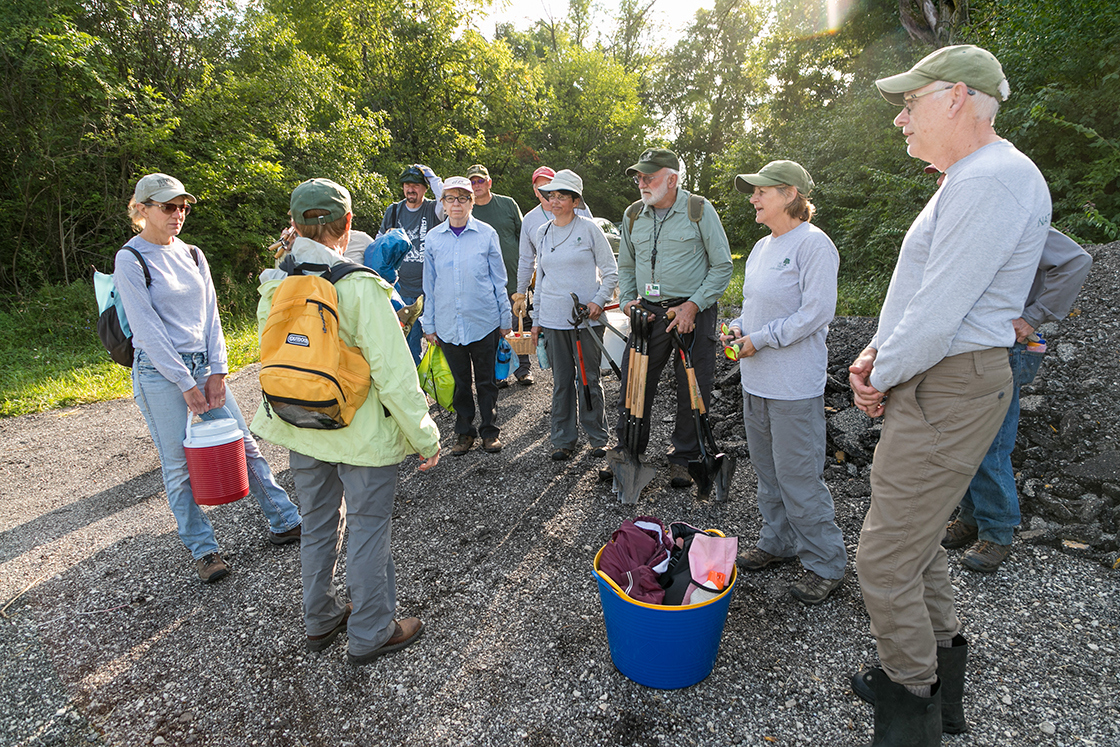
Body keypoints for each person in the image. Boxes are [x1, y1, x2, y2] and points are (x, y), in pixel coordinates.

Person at [847, 45, 1050, 743]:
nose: (901, 118)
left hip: (948, 381)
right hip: (941, 377)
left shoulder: (989, 179)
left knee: (881, 558)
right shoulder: (975, 175)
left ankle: (910, 710)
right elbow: (925, 298)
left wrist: (878, 372)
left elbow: (940, 312)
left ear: (957, 97)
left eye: (912, 102)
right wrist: (879, 351)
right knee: (919, 540)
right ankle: (941, 686)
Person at [251, 178, 441, 665]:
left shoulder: (275, 285)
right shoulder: (359, 287)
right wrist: (424, 435)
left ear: (294, 226)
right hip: (359, 436)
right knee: (368, 528)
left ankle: (319, 618)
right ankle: (372, 630)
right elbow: (396, 376)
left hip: (301, 426)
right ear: (349, 225)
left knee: (316, 525)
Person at [115, 173, 302, 584]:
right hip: (159, 373)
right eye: (168, 206)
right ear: (142, 209)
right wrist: (185, 383)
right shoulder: (131, 259)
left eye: (182, 206)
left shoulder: (194, 254)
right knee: (179, 464)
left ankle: (285, 520)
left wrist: (218, 371)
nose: (178, 214)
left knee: (243, 445)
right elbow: (146, 330)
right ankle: (205, 551)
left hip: (204, 365)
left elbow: (212, 318)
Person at [720, 160, 847, 605]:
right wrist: (738, 328)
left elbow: (816, 314)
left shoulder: (814, 245)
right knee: (769, 474)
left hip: (794, 385)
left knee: (799, 478)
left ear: (791, 194)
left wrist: (761, 338)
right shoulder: (761, 248)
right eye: (753, 192)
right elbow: (758, 307)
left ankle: (826, 563)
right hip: (756, 381)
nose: (753, 198)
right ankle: (778, 541)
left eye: (761, 191)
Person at [944, 228, 1091, 572]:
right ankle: (972, 518)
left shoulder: (1018, 221)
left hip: (1006, 350)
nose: (940, 182)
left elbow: (1076, 261)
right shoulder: (963, 221)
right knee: (964, 441)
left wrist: (1032, 316)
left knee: (992, 444)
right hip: (970, 348)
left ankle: (997, 534)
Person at [614, 148, 733, 487]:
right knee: (633, 383)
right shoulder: (634, 214)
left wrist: (693, 306)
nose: (641, 183)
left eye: (648, 177)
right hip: (648, 313)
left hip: (693, 311)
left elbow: (722, 265)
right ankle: (627, 450)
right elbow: (625, 265)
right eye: (639, 177)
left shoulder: (698, 210)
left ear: (672, 179)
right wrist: (626, 301)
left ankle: (685, 457)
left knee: (693, 386)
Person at [520, 170, 618, 461]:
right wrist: (536, 320)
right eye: (551, 195)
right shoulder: (543, 232)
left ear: (576, 200)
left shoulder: (589, 229)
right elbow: (541, 278)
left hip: (586, 320)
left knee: (587, 379)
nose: (555, 201)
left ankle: (598, 437)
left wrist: (598, 302)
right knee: (562, 381)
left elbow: (611, 272)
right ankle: (563, 439)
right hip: (552, 320)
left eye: (562, 196)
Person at [421, 176, 513, 456]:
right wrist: (430, 323)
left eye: (463, 198)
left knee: (486, 381)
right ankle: (464, 432)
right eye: (450, 198)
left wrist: (504, 317)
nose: (457, 204)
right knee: (460, 383)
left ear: (472, 202)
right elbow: (430, 284)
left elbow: (499, 280)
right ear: (443, 204)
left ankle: (489, 432)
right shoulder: (434, 238)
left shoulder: (486, 234)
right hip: (449, 323)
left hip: (483, 320)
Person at [368, 165, 445, 365]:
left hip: (431, 290)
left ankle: (440, 388)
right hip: (401, 291)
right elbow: (379, 244)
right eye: (407, 185)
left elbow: (446, 200)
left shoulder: (433, 209)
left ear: (425, 188)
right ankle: (416, 390)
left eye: (416, 185)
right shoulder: (393, 210)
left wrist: (432, 177)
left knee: (439, 342)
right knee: (407, 345)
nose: (411, 189)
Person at [467, 164, 531, 386]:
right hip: (483, 281)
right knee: (492, 328)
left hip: (512, 278)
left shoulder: (507, 204)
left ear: (489, 182)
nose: (477, 185)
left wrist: (528, 271)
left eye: (480, 181)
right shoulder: (467, 210)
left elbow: (523, 237)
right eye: (473, 182)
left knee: (517, 325)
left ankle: (523, 370)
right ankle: (499, 373)